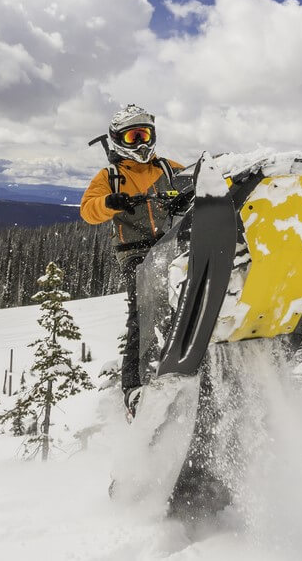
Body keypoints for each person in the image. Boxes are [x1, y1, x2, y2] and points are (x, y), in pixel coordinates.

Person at [80, 104, 183, 417]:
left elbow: (202, 183)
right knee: (146, 305)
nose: (140, 143)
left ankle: (185, 360)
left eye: (145, 134)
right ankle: (134, 387)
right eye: (133, 136)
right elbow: (88, 209)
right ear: (117, 140)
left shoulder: (167, 169)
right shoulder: (111, 176)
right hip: (136, 251)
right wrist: (110, 202)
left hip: (174, 244)